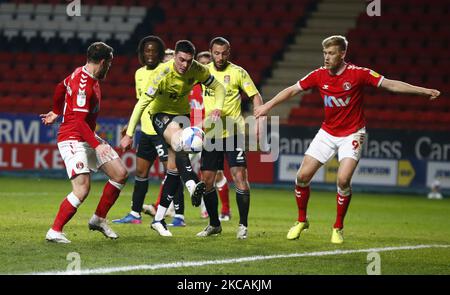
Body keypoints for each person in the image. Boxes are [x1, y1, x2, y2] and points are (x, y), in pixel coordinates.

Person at [254, 35, 441, 244]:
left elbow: (391, 85)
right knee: (302, 177)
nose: (326, 58)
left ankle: (338, 227)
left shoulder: (359, 74)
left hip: (353, 133)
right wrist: (267, 106)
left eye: (331, 53)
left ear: (342, 54)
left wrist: (424, 91)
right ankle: (301, 221)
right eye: (324, 53)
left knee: (342, 180)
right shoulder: (318, 75)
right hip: (327, 133)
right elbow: (292, 90)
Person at [120, 40, 226, 237]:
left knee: (173, 170)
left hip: (182, 115)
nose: (185, 65)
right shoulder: (161, 74)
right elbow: (141, 103)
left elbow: (219, 88)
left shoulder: (197, 69)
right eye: (181, 60)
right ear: (175, 55)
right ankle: (193, 184)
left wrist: (218, 107)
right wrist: (129, 133)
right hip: (159, 114)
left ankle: (158, 220)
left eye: (188, 61)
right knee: (180, 142)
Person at [40, 42, 128, 243]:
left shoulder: (81, 73)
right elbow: (78, 122)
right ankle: (55, 230)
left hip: (85, 134)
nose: (110, 69)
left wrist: (56, 110)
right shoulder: (84, 85)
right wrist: (97, 145)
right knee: (82, 188)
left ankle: (98, 219)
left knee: (120, 174)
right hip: (72, 137)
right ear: (104, 62)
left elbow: (59, 87)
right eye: (110, 64)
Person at [197, 37, 264, 239]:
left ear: (229, 52)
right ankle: (214, 225)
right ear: (210, 52)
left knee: (239, 177)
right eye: (216, 53)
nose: (220, 57)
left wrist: (259, 120)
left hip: (234, 132)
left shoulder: (238, 72)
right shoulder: (203, 72)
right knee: (207, 181)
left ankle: (243, 225)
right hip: (211, 133)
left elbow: (256, 96)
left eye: (224, 53)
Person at [112, 37, 183, 226]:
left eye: (153, 51)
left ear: (160, 53)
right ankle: (135, 214)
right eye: (147, 51)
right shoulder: (139, 74)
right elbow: (141, 102)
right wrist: (131, 126)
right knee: (141, 173)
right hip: (146, 132)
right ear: (142, 54)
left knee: (173, 171)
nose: (150, 54)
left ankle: (178, 215)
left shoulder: (166, 71)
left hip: (163, 131)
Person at [189, 50, 231, 221]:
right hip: (191, 136)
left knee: (217, 174)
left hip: (211, 134)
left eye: (208, 64)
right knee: (181, 171)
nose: (205, 67)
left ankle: (225, 210)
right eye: (202, 64)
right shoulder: (190, 86)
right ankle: (171, 210)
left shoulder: (215, 89)